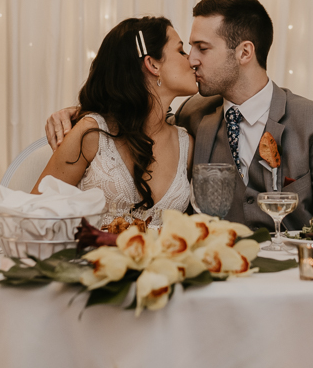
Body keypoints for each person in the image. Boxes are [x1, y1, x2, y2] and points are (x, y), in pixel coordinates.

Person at [47, 0, 313, 234]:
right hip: (211, 289)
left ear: (245, 52)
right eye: (187, 49)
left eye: (202, 48)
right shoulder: (194, 117)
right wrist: (84, 114)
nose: (192, 60)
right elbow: (138, 124)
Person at [33, 16, 196, 229]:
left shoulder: (186, 144)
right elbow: (32, 216)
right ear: (153, 64)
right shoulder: (92, 133)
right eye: (181, 51)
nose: (191, 60)